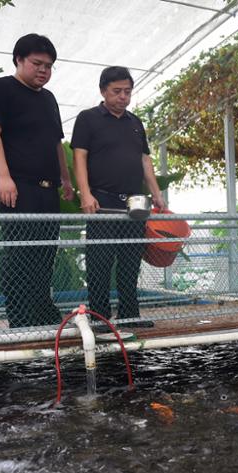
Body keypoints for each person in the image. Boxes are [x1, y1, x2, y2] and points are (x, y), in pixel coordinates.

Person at [0, 34, 74, 328]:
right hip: (17, 188)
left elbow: (56, 143)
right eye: (37, 63)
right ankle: (20, 318)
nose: (43, 70)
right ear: (18, 59)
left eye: (49, 65)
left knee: (46, 252)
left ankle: (43, 310)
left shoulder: (49, 99)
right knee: (20, 252)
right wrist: (3, 177)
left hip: (48, 189)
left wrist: (65, 179)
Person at [71, 66, 166, 328]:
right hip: (102, 201)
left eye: (127, 92)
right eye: (117, 91)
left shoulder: (135, 123)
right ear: (103, 91)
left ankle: (130, 314)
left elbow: (144, 159)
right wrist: (86, 194)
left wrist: (157, 194)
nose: (123, 97)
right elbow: (79, 156)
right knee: (100, 260)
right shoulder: (88, 118)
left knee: (130, 258)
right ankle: (99, 317)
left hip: (135, 202)